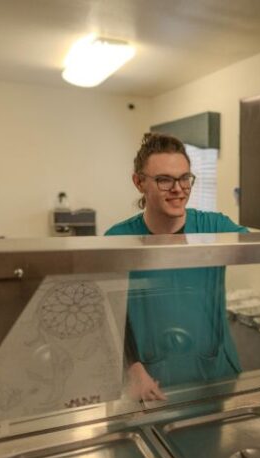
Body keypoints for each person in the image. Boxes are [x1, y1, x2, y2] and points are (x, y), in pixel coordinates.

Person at [106, 132, 248, 401]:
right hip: (150, 379)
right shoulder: (118, 239)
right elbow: (112, 312)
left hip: (213, 373)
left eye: (185, 178)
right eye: (164, 180)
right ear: (139, 183)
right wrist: (133, 367)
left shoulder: (214, 227)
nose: (179, 189)